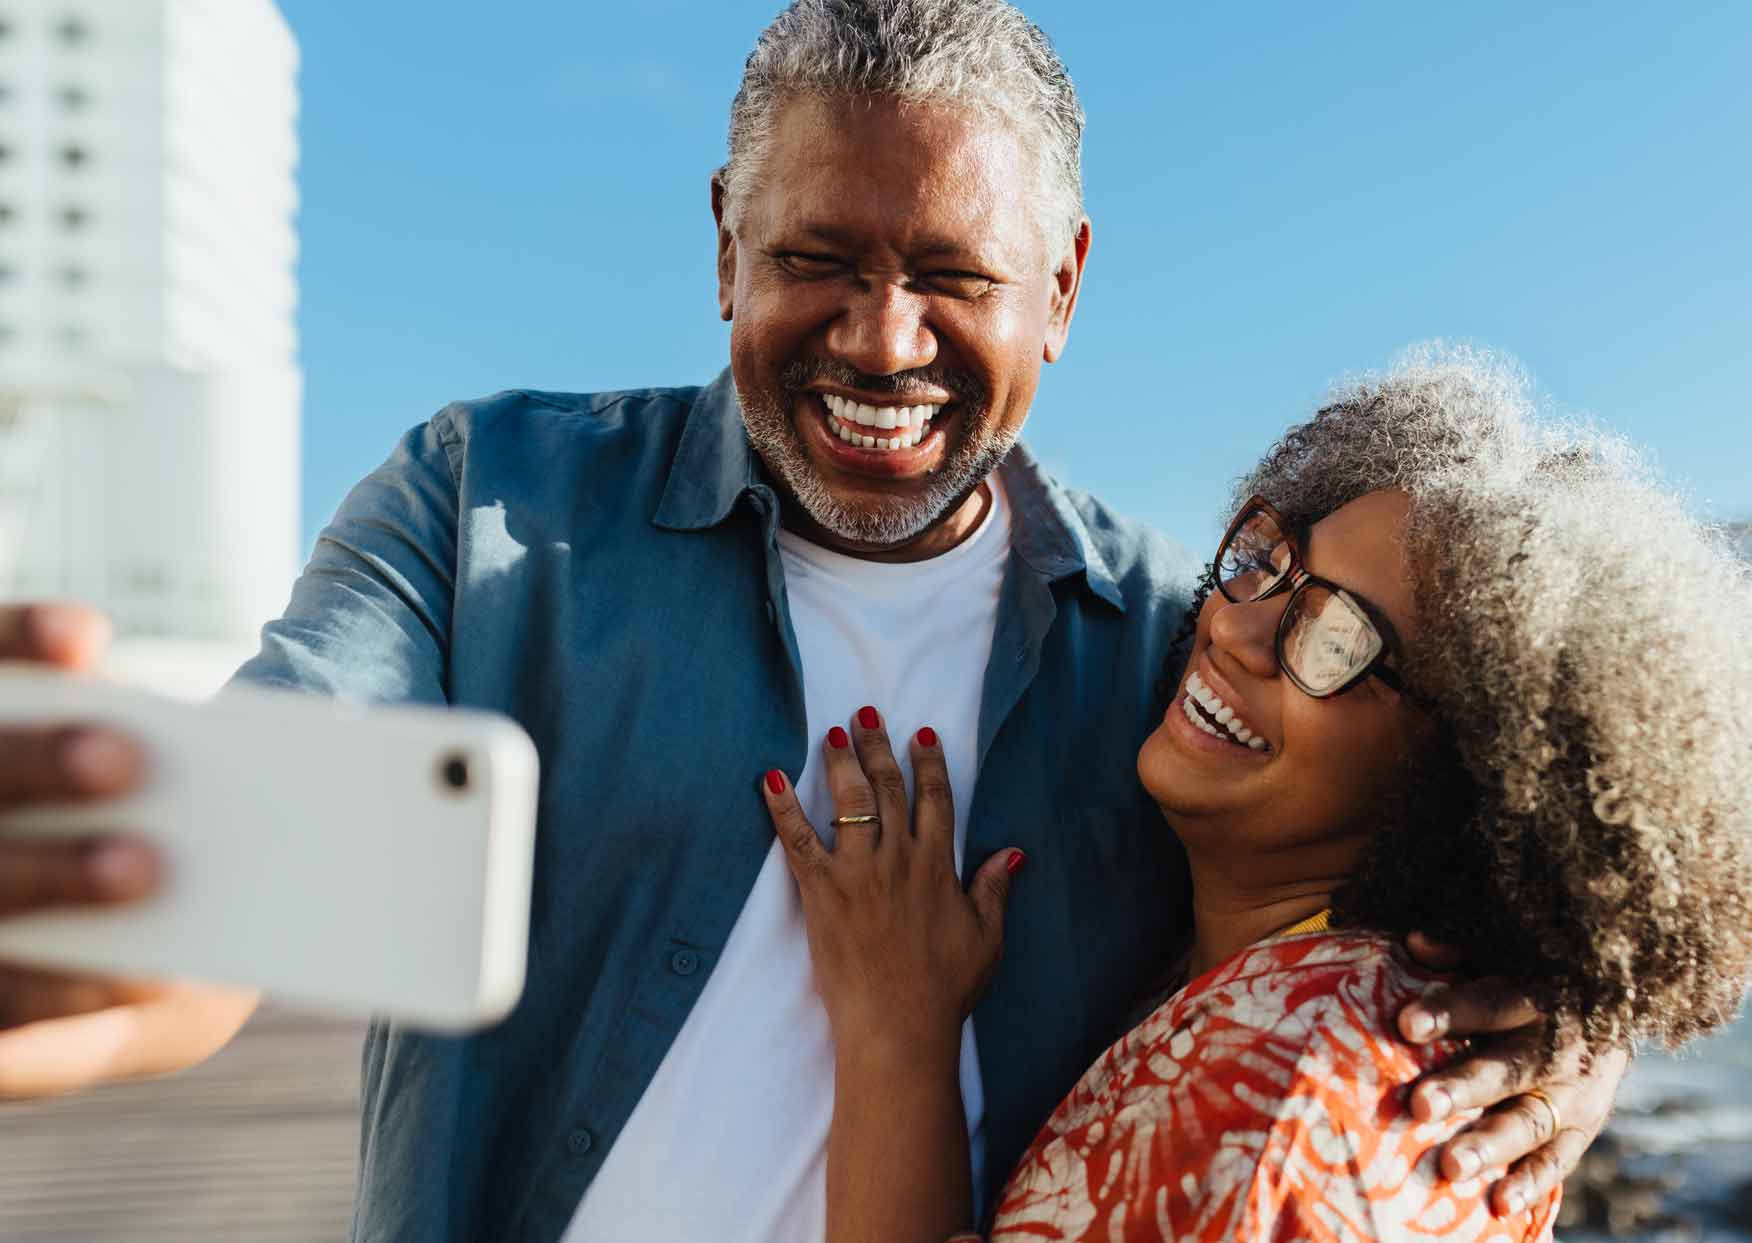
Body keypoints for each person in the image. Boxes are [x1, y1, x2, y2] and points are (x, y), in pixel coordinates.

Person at [0, 4, 1621, 1239]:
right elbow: (253, 826)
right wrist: (105, 923)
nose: (882, 340)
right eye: (816, 256)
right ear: (725, 242)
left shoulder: (1172, 651)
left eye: (955, 277)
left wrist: (1576, 1019)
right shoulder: (484, 503)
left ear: (1063, 286)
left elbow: (1432, 836)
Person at [763, 354, 1752, 1241]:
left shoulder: (1275, 1109)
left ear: (1477, 777)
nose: (1235, 626)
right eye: (1272, 562)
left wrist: (896, 1032)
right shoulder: (1285, 986)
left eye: (1336, 638)